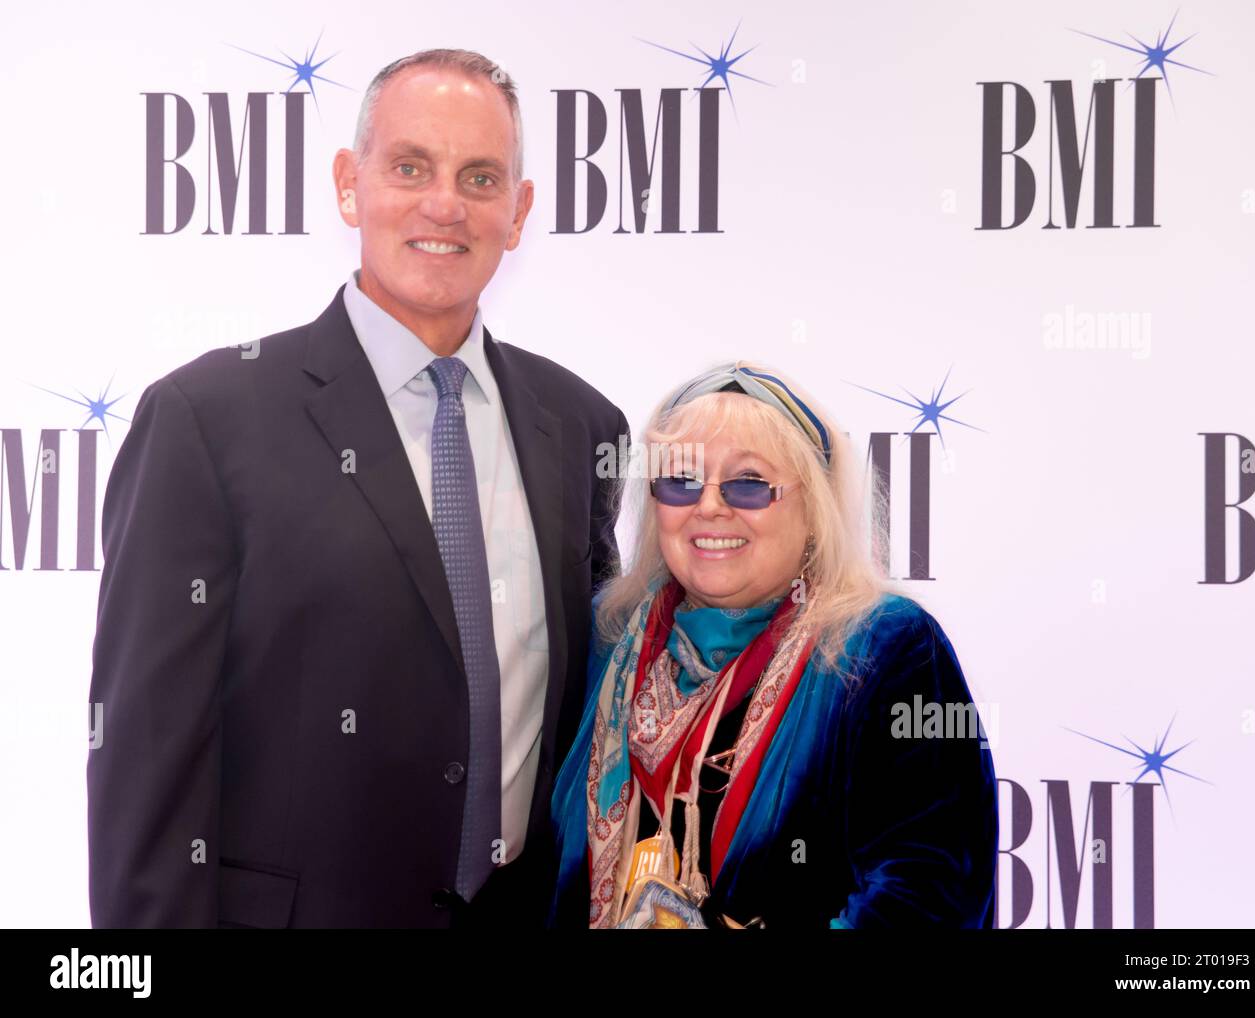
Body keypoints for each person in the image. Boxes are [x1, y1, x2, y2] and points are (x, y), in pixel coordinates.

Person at [87, 48, 628, 927]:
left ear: (519, 212)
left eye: (480, 177)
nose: (444, 205)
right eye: (410, 167)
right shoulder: (206, 419)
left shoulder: (582, 426)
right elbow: (147, 763)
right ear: (350, 184)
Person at [549, 362, 997, 928]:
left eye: (749, 484)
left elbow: (930, 890)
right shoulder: (608, 636)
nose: (709, 506)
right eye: (681, 480)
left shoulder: (887, 645)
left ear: (813, 510)